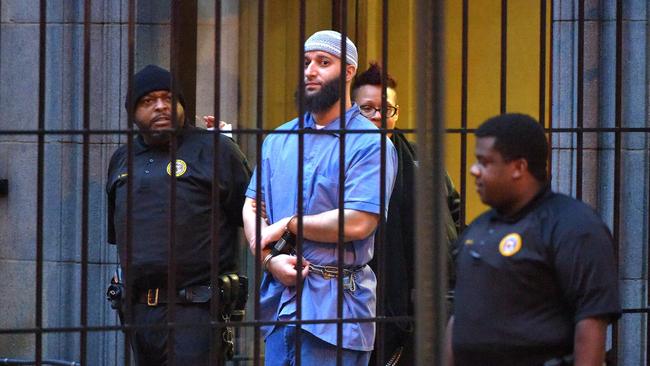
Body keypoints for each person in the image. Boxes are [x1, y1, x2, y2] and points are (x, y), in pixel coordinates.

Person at [242, 31, 398, 366]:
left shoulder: (369, 143)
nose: (311, 70)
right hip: (280, 303)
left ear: (349, 71)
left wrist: (289, 224)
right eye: (306, 62)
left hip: (338, 309)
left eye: (323, 62)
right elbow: (252, 205)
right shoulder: (278, 138)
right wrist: (269, 259)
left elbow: (359, 220)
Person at [445, 113, 620, 366]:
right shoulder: (480, 228)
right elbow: (459, 317)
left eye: (485, 162)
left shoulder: (573, 226)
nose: (474, 170)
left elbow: (591, 323)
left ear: (518, 167)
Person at [106, 64, 250, 365]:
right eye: (148, 101)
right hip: (139, 312)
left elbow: (253, 219)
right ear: (133, 112)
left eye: (168, 98)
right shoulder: (122, 159)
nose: (160, 106)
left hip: (197, 310)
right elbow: (118, 235)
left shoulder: (215, 150)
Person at [351, 62, 461, 365]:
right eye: (366, 109)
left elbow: (453, 214)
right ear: (351, 112)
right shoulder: (337, 161)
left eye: (385, 110)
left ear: (396, 114)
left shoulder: (423, 162)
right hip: (355, 298)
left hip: (421, 298)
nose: (377, 118)